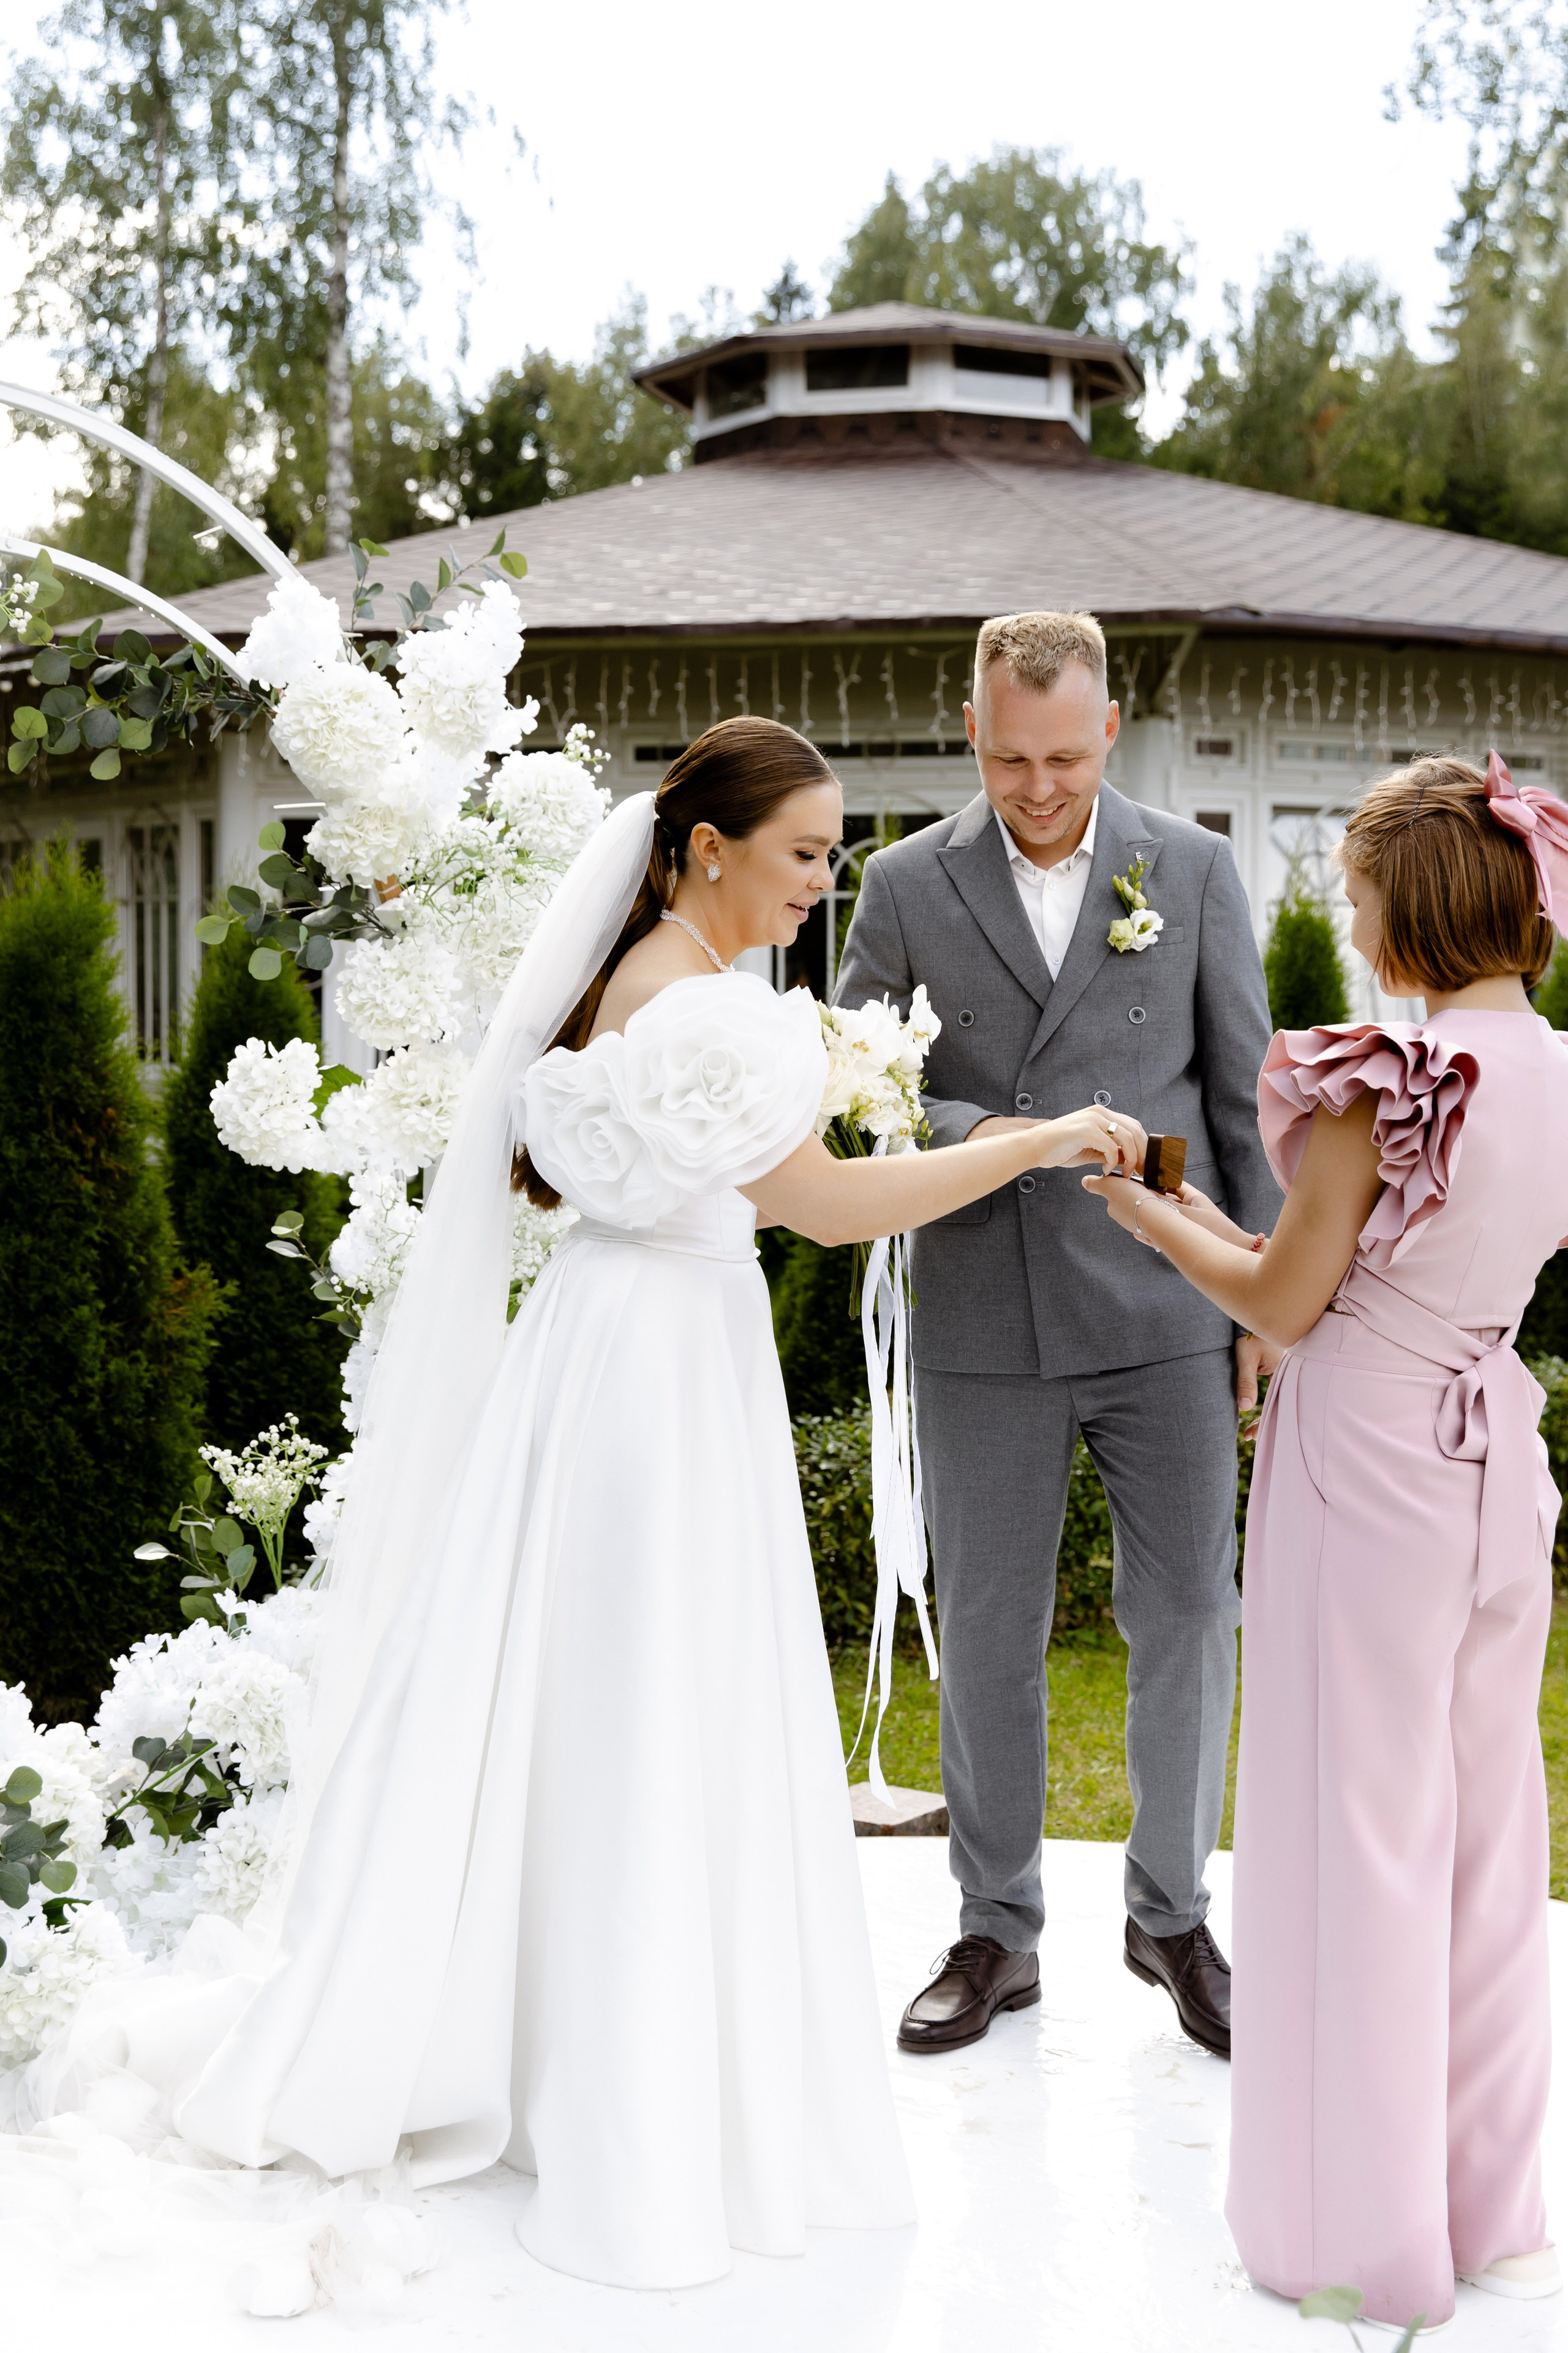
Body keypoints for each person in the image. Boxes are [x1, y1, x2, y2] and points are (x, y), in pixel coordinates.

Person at [25, 719, 1148, 2301]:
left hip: (585, 1362)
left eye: (832, 857)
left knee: (573, 1698)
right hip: (677, 1372)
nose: (821, 887)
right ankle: (632, 2082)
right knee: (662, 1703)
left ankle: (524, 2031)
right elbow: (825, 1211)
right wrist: (1036, 1144)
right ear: (706, 848)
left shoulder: (607, 992)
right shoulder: (736, 1021)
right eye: (804, 853)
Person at [1082, 752, 1568, 2332]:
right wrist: (1210, 1226)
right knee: (1487, 1837)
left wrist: (1148, 1213)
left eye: (1358, 895)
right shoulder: (1549, 1071)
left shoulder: (1387, 1080)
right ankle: (1483, 2209)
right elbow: (1364, 1279)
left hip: (1366, 1460)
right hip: (1494, 1449)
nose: (1351, 928)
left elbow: (1287, 1308)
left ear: (1412, 902)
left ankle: (1355, 2235)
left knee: (1345, 1838)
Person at [835, 611, 1281, 2060]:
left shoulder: (1194, 870)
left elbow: (1240, 1096)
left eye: (1067, 757)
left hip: (1165, 1310)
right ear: (972, 732)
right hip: (979, 1307)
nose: (1039, 786)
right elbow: (868, 1090)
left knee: (1184, 1619)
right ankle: (994, 1928)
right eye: (1013, 756)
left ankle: (1168, 1914)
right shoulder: (899, 885)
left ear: (1108, 732)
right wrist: (1010, 1138)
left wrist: (1260, 1290)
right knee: (988, 1632)